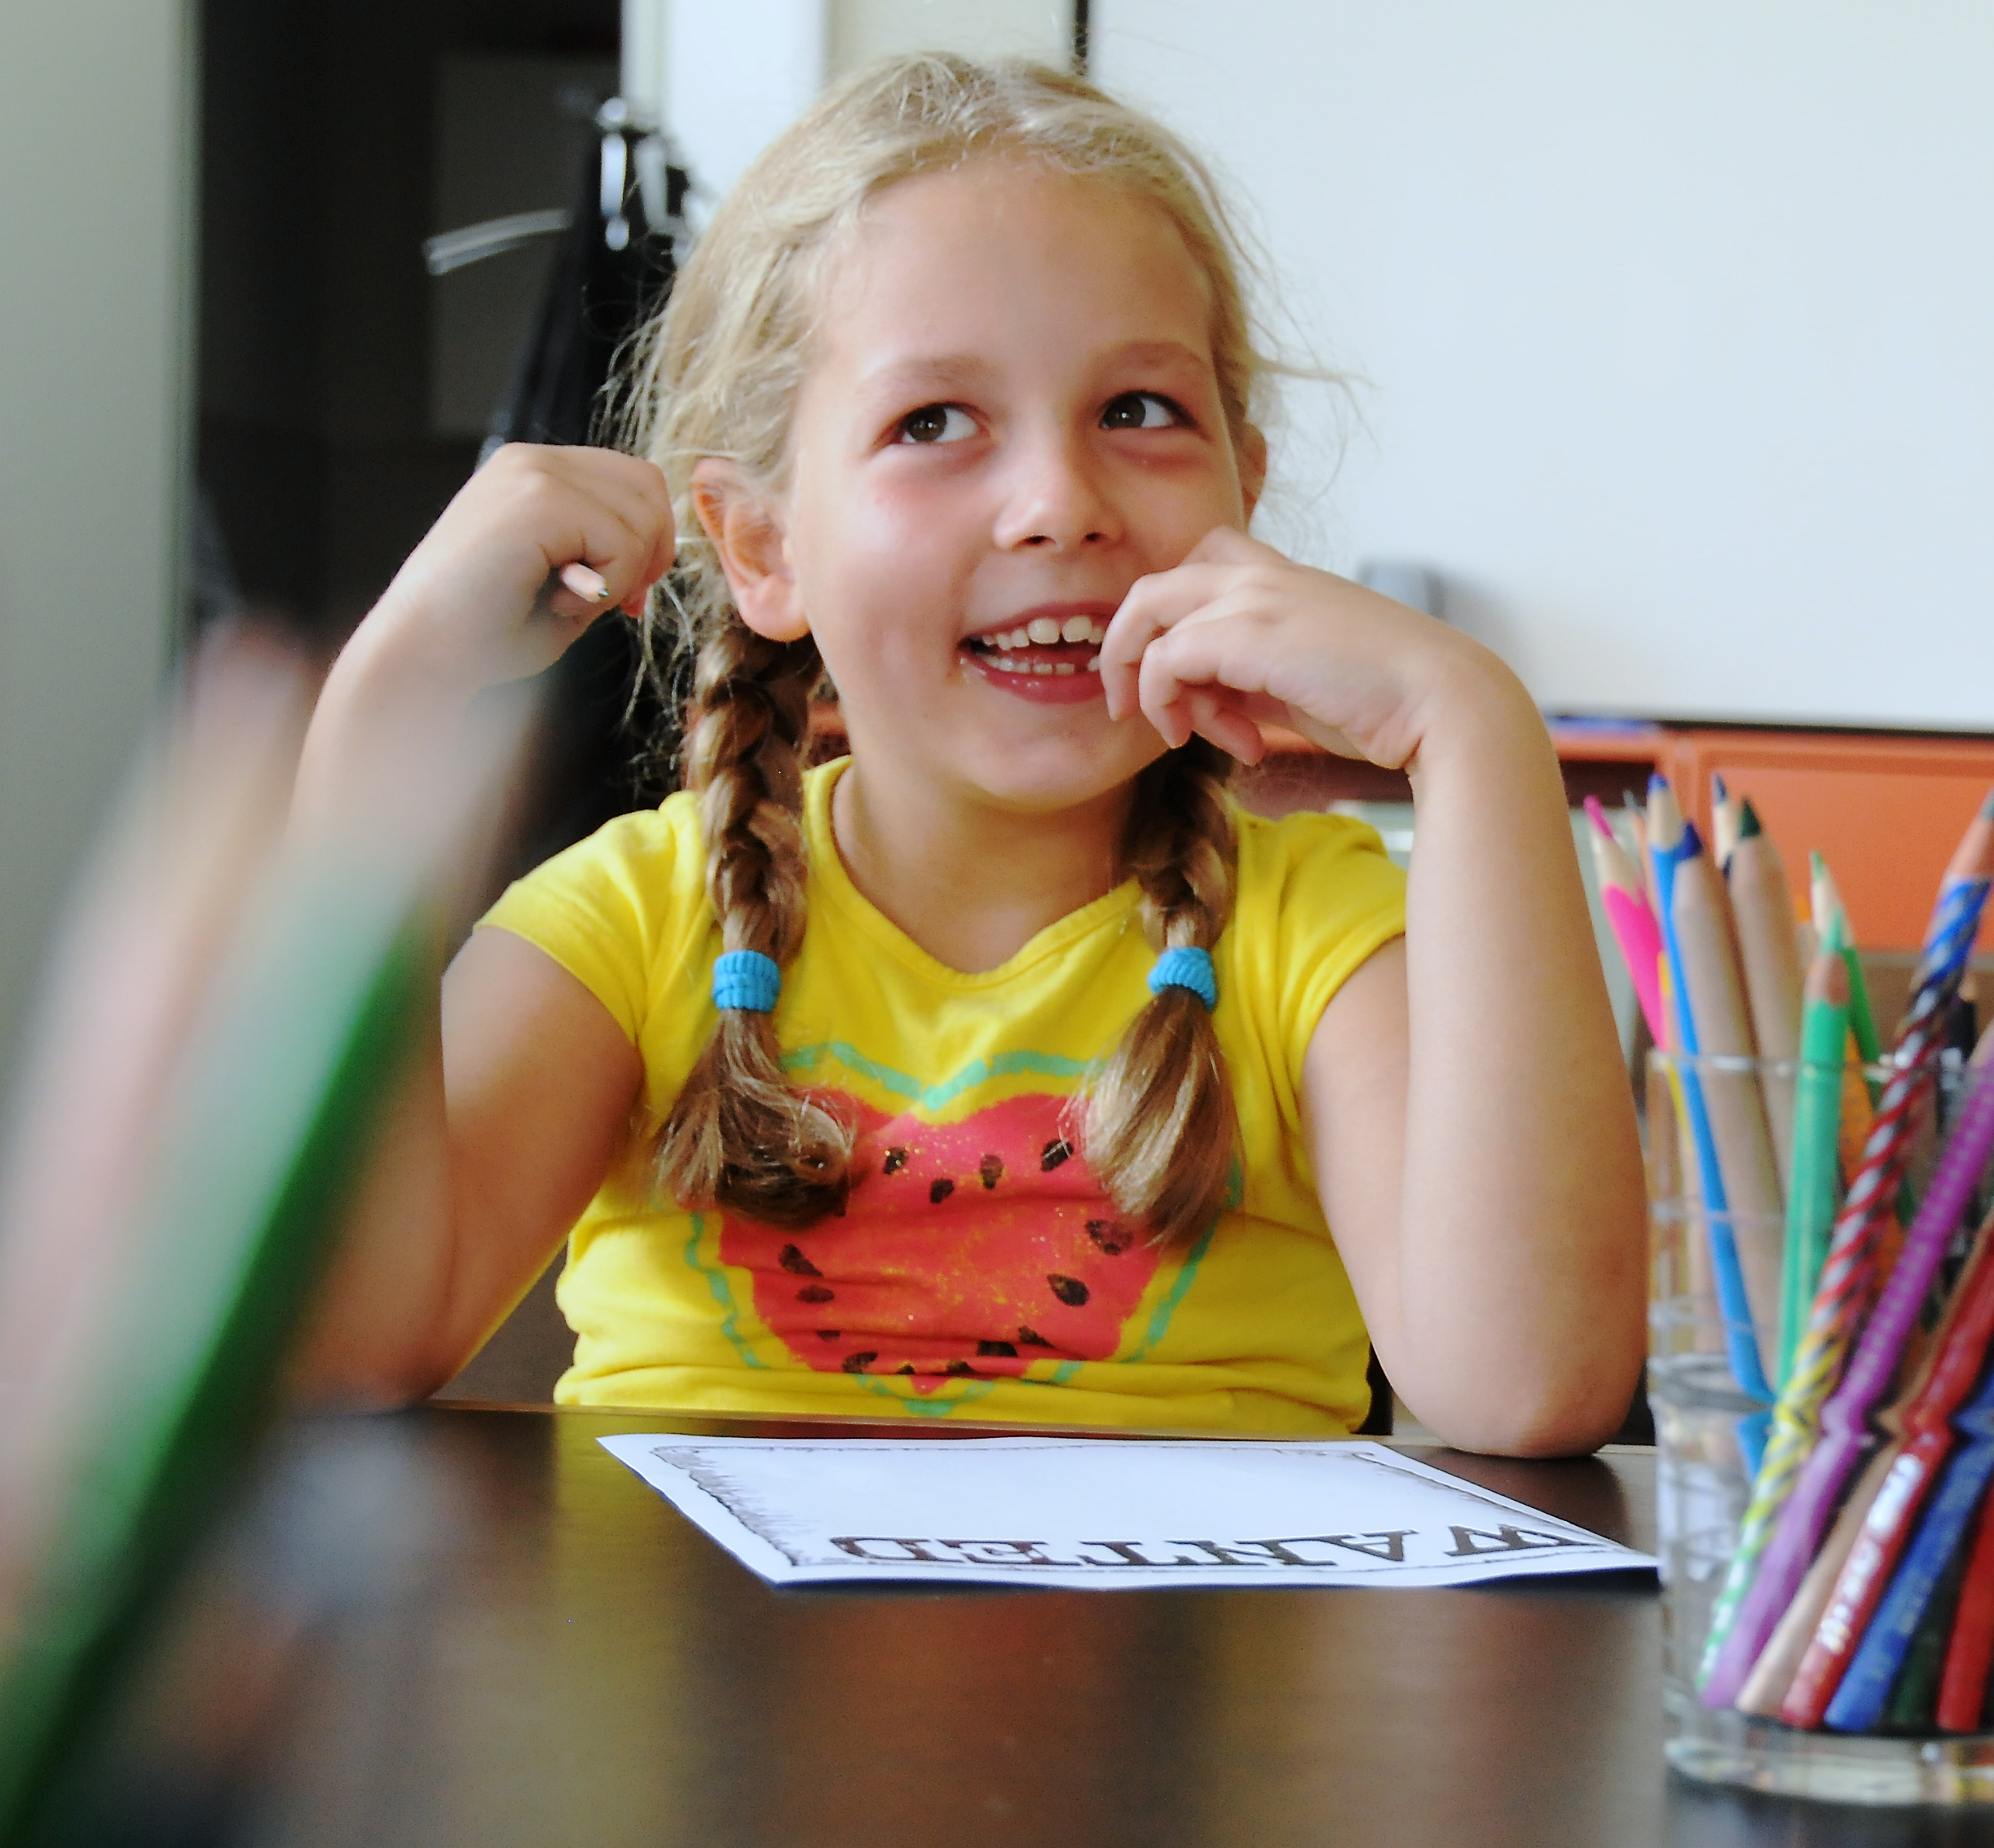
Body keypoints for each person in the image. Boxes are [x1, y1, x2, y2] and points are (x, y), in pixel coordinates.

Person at [291, 55, 1645, 1452]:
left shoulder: (1317, 932)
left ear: (1241, 484)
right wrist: (380, 722)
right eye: (931, 423)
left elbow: (1528, 1386)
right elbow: (350, 1337)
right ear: (761, 543)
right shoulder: (634, 921)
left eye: (1137, 412)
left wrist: (1471, 729)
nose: (1057, 504)